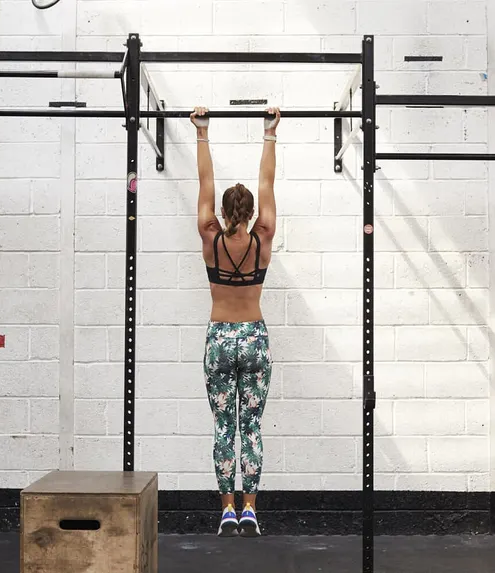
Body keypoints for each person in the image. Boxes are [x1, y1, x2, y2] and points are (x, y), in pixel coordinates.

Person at [191, 106, 280, 538]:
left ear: (225, 212)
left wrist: (202, 132)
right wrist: (269, 133)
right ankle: (250, 508)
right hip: (255, 337)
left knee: (225, 425)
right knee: (253, 426)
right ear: (248, 213)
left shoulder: (211, 238)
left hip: (220, 338)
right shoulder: (263, 237)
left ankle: (226, 507)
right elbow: (268, 183)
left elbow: (204, 184)